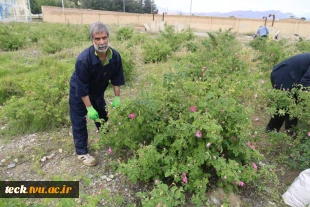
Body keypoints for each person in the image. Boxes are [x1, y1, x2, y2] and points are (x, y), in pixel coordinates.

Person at [69, 22, 125, 166]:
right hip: (79, 91)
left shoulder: (115, 56)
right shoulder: (84, 60)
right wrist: (88, 107)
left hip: (98, 90)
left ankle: (108, 140)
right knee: (79, 120)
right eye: (97, 39)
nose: (101, 42)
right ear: (92, 40)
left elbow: (117, 79)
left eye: (104, 38)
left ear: (108, 37)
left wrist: (117, 97)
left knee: (102, 116)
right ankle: (82, 153)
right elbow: (82, 88)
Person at [266, 53, 310, 132]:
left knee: (286, 106)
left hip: (287, 75)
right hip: (284, 75)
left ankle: (274, 130)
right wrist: (305, 100)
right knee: (290, 105)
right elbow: (305, 82)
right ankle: (288, 133)